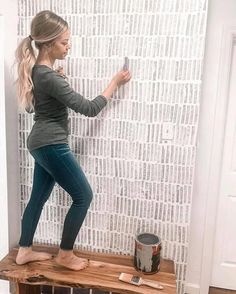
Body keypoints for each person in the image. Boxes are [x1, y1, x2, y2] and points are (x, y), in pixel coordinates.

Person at [15, 10, 131, 271]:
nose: (69, 47)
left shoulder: (39, 72)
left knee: (37, 198)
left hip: (40, 142)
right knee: (83, 196)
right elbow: (89, 108)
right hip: (51, 144)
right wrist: (114, 82)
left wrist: (59, 80)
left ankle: (24, 251)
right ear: (47, 43)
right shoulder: (49, 77)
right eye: (64, 42)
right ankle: (65, 254)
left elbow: (38, 106)